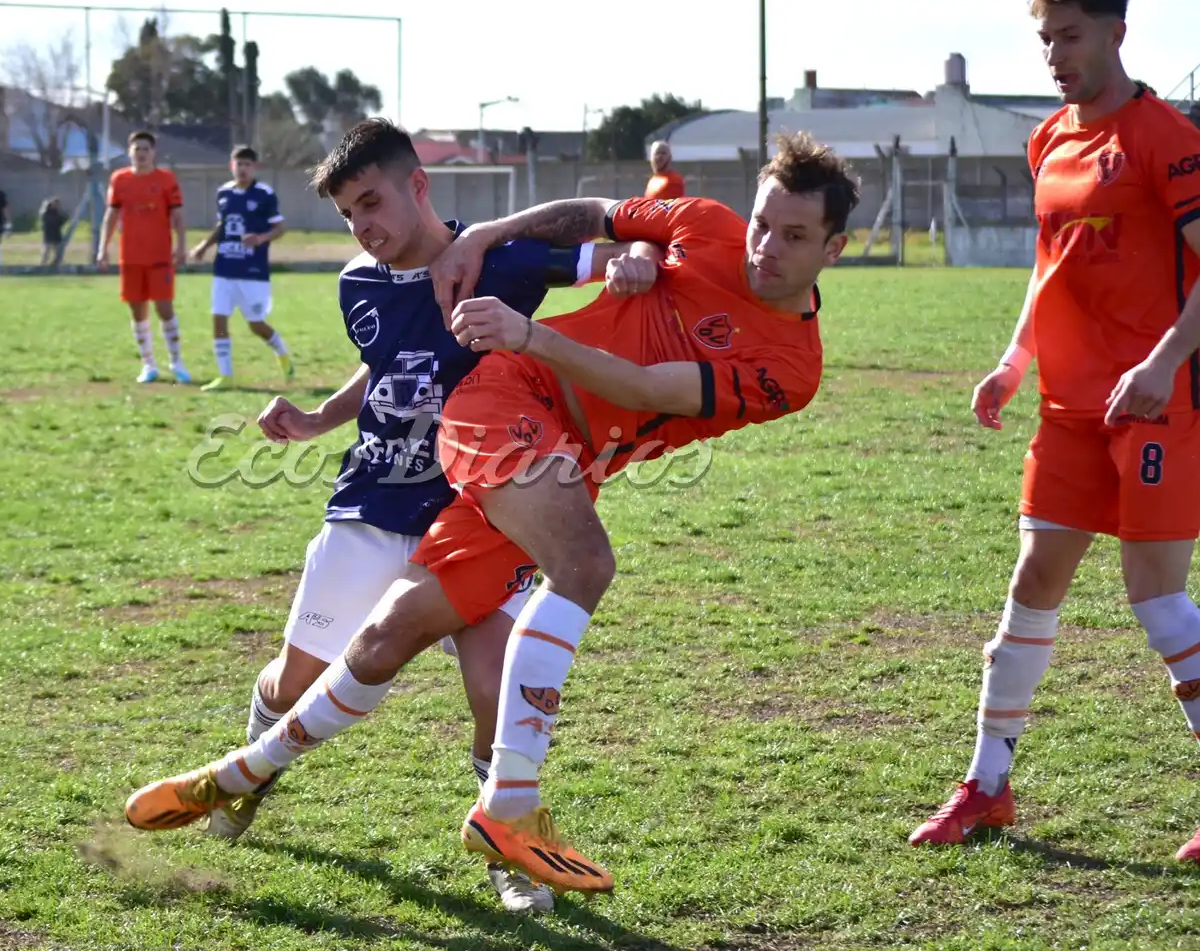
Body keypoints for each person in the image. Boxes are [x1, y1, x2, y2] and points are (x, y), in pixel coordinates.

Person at [125, 131, 860, 895]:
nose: (763, 246)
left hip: (556, 460)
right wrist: (487, 234)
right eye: (761, 223)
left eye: (793, 236)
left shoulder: (789, 371)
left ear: (833, 249)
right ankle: (508, 810)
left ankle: (240, 773)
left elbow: (645, 383)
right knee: (581, 564)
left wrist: (562, 301)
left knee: (398, 641)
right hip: (489, 414)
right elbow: (591, 213)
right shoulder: (704, 222)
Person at [138, 118, 656, 914]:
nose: (363, 225)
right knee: (295, 680)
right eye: (348, 212)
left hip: (480, 510)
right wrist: (318, 417)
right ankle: (253, 769)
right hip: (373, 504)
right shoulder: (358, 282)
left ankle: (506, 843)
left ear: (418, 183)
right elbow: (380, 366)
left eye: (372, 202)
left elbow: (611, 245)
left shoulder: (504, 259)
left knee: (494, 683)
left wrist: (635, 255)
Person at [910, 0, 1200, 859]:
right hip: (1068, 411)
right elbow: (1051, 269)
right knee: (1032, 583)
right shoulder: (1048, 141)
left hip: (1157, 407)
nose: (1055, 56)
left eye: (1070, 36)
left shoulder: (1165, 138)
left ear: (1116, 31)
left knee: (1158, 603)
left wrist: (1162, 363)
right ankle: (986, 787)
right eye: (1045, 40)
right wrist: (1012, 363)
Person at [189, 145, 293, 391]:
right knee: (218, 318)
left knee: (256, 324)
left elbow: (280, 228)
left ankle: (282, 353)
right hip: (224, 268)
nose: (243, 169)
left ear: (254, 167)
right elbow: (222, 225)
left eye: (247, 164)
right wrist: (204, 246)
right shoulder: (224, 192)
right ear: (231, 166)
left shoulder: (264, 194)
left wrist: (260, 238)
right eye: (239, 164)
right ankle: (225, 375)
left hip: (253, 272)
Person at [98, 131, 189, 385]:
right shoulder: (119, 179)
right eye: (137, 148)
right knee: (138, 311)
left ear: (153, 152)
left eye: (146, 149)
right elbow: (111, 216)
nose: (141, 153)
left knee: (164, 308)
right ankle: (149, 365)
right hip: (131, 257)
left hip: (160, 256)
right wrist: (103, 248)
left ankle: (177, 363)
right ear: (129, 152)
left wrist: (181, 246)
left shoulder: (166, 179)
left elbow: (179, 217)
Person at [39, 197, 68, 269]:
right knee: (45, 254)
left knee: (58, 254)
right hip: (48, 236)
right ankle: (43, 266)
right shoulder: (46, 213)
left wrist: (59, 211)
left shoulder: (58, 213)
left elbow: (65, 218)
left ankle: (56, 266)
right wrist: (46, 205)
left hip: (56, 236)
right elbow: (43, 216)